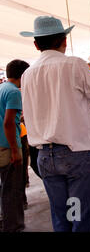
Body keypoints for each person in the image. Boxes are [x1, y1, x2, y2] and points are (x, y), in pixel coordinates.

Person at [20, 16, 90, 232]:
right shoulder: (73, 65)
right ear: (64, 40)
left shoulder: (27, 75)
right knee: (81, 218)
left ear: (36, 44)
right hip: (76, 155)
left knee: (62, 218)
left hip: (45, 157)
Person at [0, 59, 29, 232]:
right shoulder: (13, 92)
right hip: (8, 147)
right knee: (12, 190)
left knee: (5, 188)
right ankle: (14, 226)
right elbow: (9, 123)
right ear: (23, 75)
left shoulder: (2, 88)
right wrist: (14, 150)